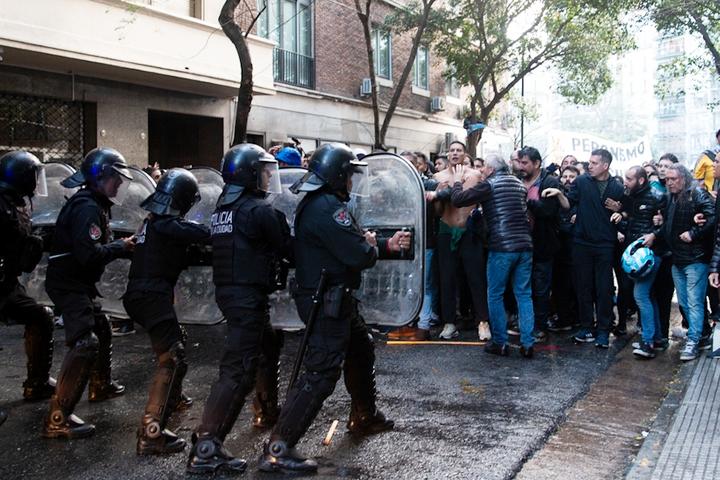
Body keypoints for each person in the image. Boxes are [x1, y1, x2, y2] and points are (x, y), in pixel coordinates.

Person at [258, 143, 411, 473]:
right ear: (338, 176)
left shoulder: (320, 203)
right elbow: (357, 253)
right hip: (325, 301)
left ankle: (364, 416)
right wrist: (371, 247)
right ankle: (278, 447)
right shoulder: (327, 207)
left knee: (360, 350)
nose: (353, 183)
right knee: (320, 373)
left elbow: (346, 245)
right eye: (350, 176)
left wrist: (381, 244)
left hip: (333, 296)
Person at [187, 144, 291, 474]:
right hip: (246, 297)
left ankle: (265, 408)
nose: (268, 177)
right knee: (238, 370)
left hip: (231, 294)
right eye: (264, 171)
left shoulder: (223, 209)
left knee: (267, 343)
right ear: (249, 175)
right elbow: (287, 246)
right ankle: (207, 446)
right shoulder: (258, 210)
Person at [42, 147, 136, 439]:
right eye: (115, 179)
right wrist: (121, 248)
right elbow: (88, 255)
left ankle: (100, 385)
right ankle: (59, 417)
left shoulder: (94, 203)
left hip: (76, 282)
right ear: (100, 177)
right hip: (68, 283)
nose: (119, 184)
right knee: (85, 341)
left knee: (101, 326)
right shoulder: (87, 207)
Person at [123, 168, 210, 455]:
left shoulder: (151, 223)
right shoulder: (166, 224)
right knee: (171, 358)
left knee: (175, 345)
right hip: (151, 296)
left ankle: (171, 398)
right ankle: (152, 431)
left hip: (142, 295)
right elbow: (197, 232)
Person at [450, 154, 535, 357]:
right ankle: (528, 343)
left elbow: (458, 200)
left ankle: (500, 342)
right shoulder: (519, 184)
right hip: (525, 245)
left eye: (484, 168)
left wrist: (456, 183)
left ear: (491, 169)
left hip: (502, 246)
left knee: (495, 294)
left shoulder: (489, 185)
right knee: (523, 294)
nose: (481, 171)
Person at [0, 151, 56, 426]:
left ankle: (38, 382)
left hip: (7, 283)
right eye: (33, 175)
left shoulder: (16, 202)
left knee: (41, 316)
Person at [553, 149, 624, 348]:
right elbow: (568, 204)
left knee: (604, 288)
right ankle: (586, 327)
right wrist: (559, 194)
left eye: (594, 163)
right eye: (590, 162)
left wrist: (621, 212)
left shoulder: (617, 187)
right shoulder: (582, 182)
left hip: (605, 244)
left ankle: (603, 330)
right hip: (582, 242)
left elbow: (628, 212)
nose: (589, 165)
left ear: (605, 166)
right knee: (583, 286)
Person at [643, 164, 715, 361]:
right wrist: (656, 234)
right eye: (667, 180)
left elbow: (712, 217)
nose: (669, 183)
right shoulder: (671, 197)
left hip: (696, 258)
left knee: (694, 302)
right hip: (678, 258)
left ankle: (693, 340)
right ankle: (699, 335)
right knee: (684, 302)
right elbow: (668, 226)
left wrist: (694, 233)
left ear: (683, 178)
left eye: (673, 179)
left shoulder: (697, 193)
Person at [426, 141, 489, 340]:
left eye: (458, 150)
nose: (454, 153)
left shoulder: (475, 175)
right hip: (446, 230)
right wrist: (437, 197)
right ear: (447, 154)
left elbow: (479, 202)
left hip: (468, 231)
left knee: (475, 278)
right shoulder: (438, 177)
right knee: (447, 279)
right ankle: (449, 322)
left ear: (465, 154)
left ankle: (483, 322)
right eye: (451, 150)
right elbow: (436, 211)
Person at [612, 167, 667, 358]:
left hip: (650, 255)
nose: (625, 182)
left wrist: (655, 233)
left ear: (641, 180)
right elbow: (632, 220)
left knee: (641, 296)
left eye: (629, 178)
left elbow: (669, 225)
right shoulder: (631, 196)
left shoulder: (658, 196)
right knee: (648, 296)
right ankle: (656, 338)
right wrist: (621, 217)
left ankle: (648, 342)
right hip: (636, 253)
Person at [513, 146, 561, 341]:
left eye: (525, 163)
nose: (521, 166)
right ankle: (524, 322)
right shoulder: (518, 181)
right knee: (522, 287)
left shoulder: (549, 182)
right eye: (520, 162)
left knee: (541, 287)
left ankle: (539, 325)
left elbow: (549, 211)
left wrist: (525, 199)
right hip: (520, 244)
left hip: (542, 244)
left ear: (537, 163)